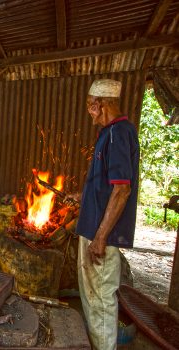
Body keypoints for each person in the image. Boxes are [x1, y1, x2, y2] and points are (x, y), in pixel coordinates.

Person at [76, 79, 140, 350]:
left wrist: (101, 236)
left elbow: (122, 190)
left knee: (101, 301)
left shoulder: (118, 133)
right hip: (93, 231)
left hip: (101, 236)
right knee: (93, 300)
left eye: (90, 107)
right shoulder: (108, 133)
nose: (89, 112)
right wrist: (82, 197)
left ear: (100, 104)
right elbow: (107, 186)